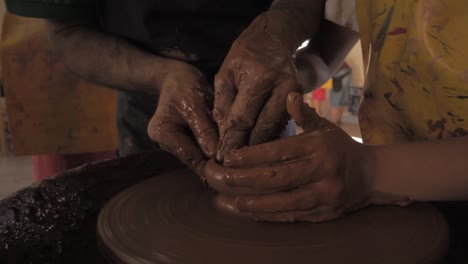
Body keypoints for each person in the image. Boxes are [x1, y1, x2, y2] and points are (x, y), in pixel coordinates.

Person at [205, 0, 468, 226]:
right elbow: (321, 55)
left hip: (412, 180)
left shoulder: (367, 172)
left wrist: (369, 169)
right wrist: (279, 79)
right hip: (391, 193)